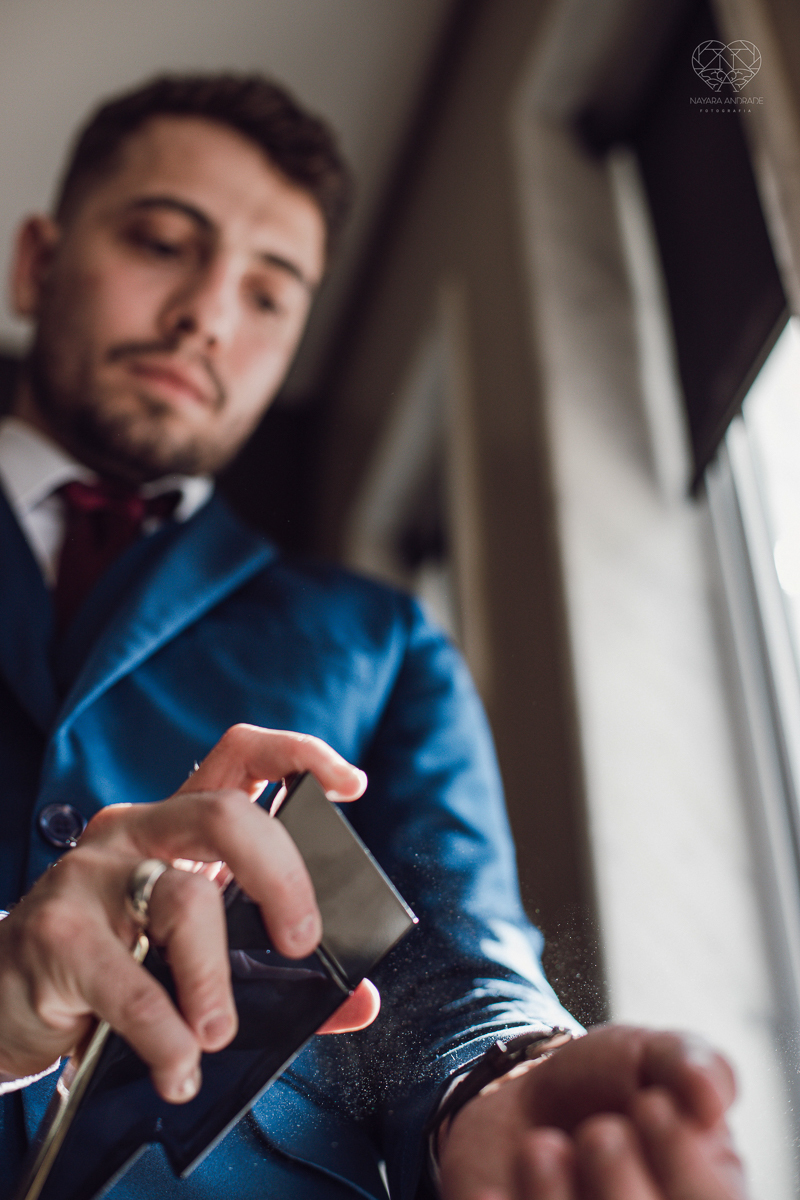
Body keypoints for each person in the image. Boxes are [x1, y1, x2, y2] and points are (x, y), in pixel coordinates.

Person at [0, 75, 747, 1200]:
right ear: (37, 262)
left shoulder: (381, 639)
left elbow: (454, 958)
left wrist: (492, 1079)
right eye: (161, 241)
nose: (206, 315)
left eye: (269, 294)